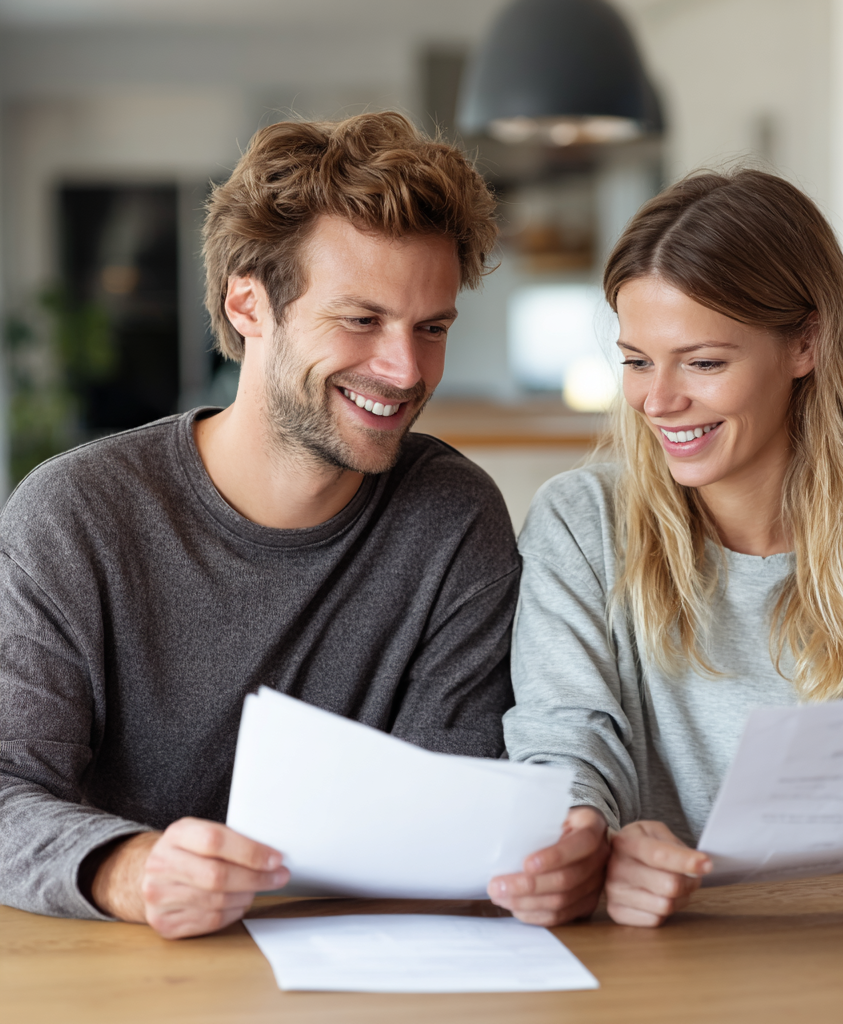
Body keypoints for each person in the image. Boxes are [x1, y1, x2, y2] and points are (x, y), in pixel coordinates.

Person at [0, 113, 520, 939]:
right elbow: (7, 787)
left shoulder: (455, 521)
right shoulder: (75, 516)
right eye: (361, 319)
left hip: (364, 960)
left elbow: (450, 816)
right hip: (128, 964)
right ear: (248, 304)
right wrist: (130, 869)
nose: (405, 370)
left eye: (432, 328)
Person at [489, 169, 843, 927]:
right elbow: (566, 742)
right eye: (636, 360)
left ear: (806, 343)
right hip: (668, 958)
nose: (657, 400)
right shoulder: (583, 524)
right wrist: (587, 845)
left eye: (703, 362)